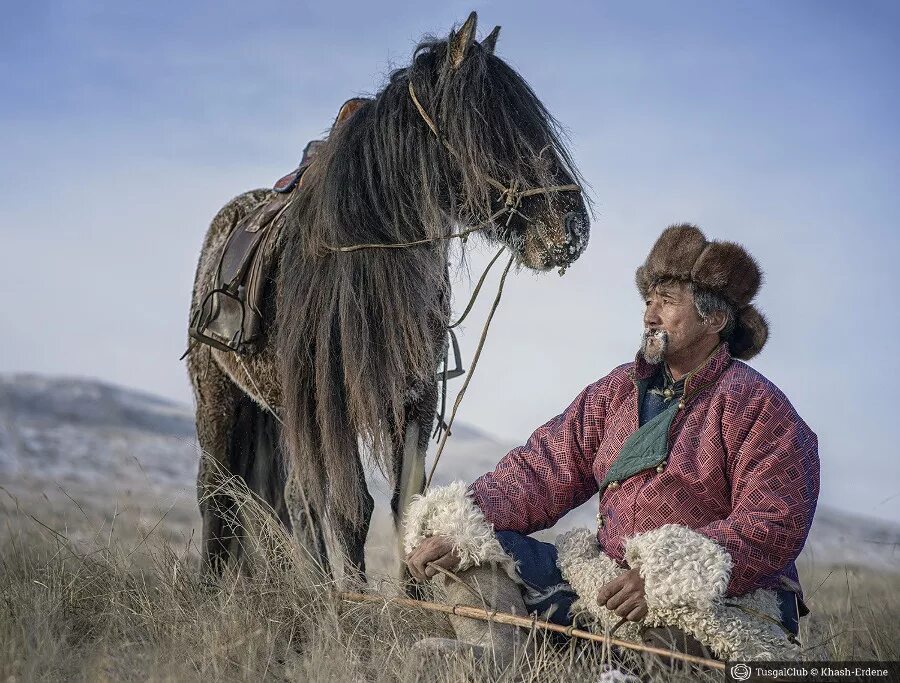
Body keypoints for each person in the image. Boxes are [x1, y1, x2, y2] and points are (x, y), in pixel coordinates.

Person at [404, 224, 819, 663]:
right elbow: (543, 469)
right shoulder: (616, 391)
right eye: (648, 301)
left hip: (719, 597)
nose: (649, 316)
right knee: (474, 548)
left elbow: (772, 523)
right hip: (605, 579)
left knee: (668, 650)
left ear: (713, 320)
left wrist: (664, 576)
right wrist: (464, 521)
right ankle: (495, 654)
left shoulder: (760, 407)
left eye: (668, 302)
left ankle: (599, 656)